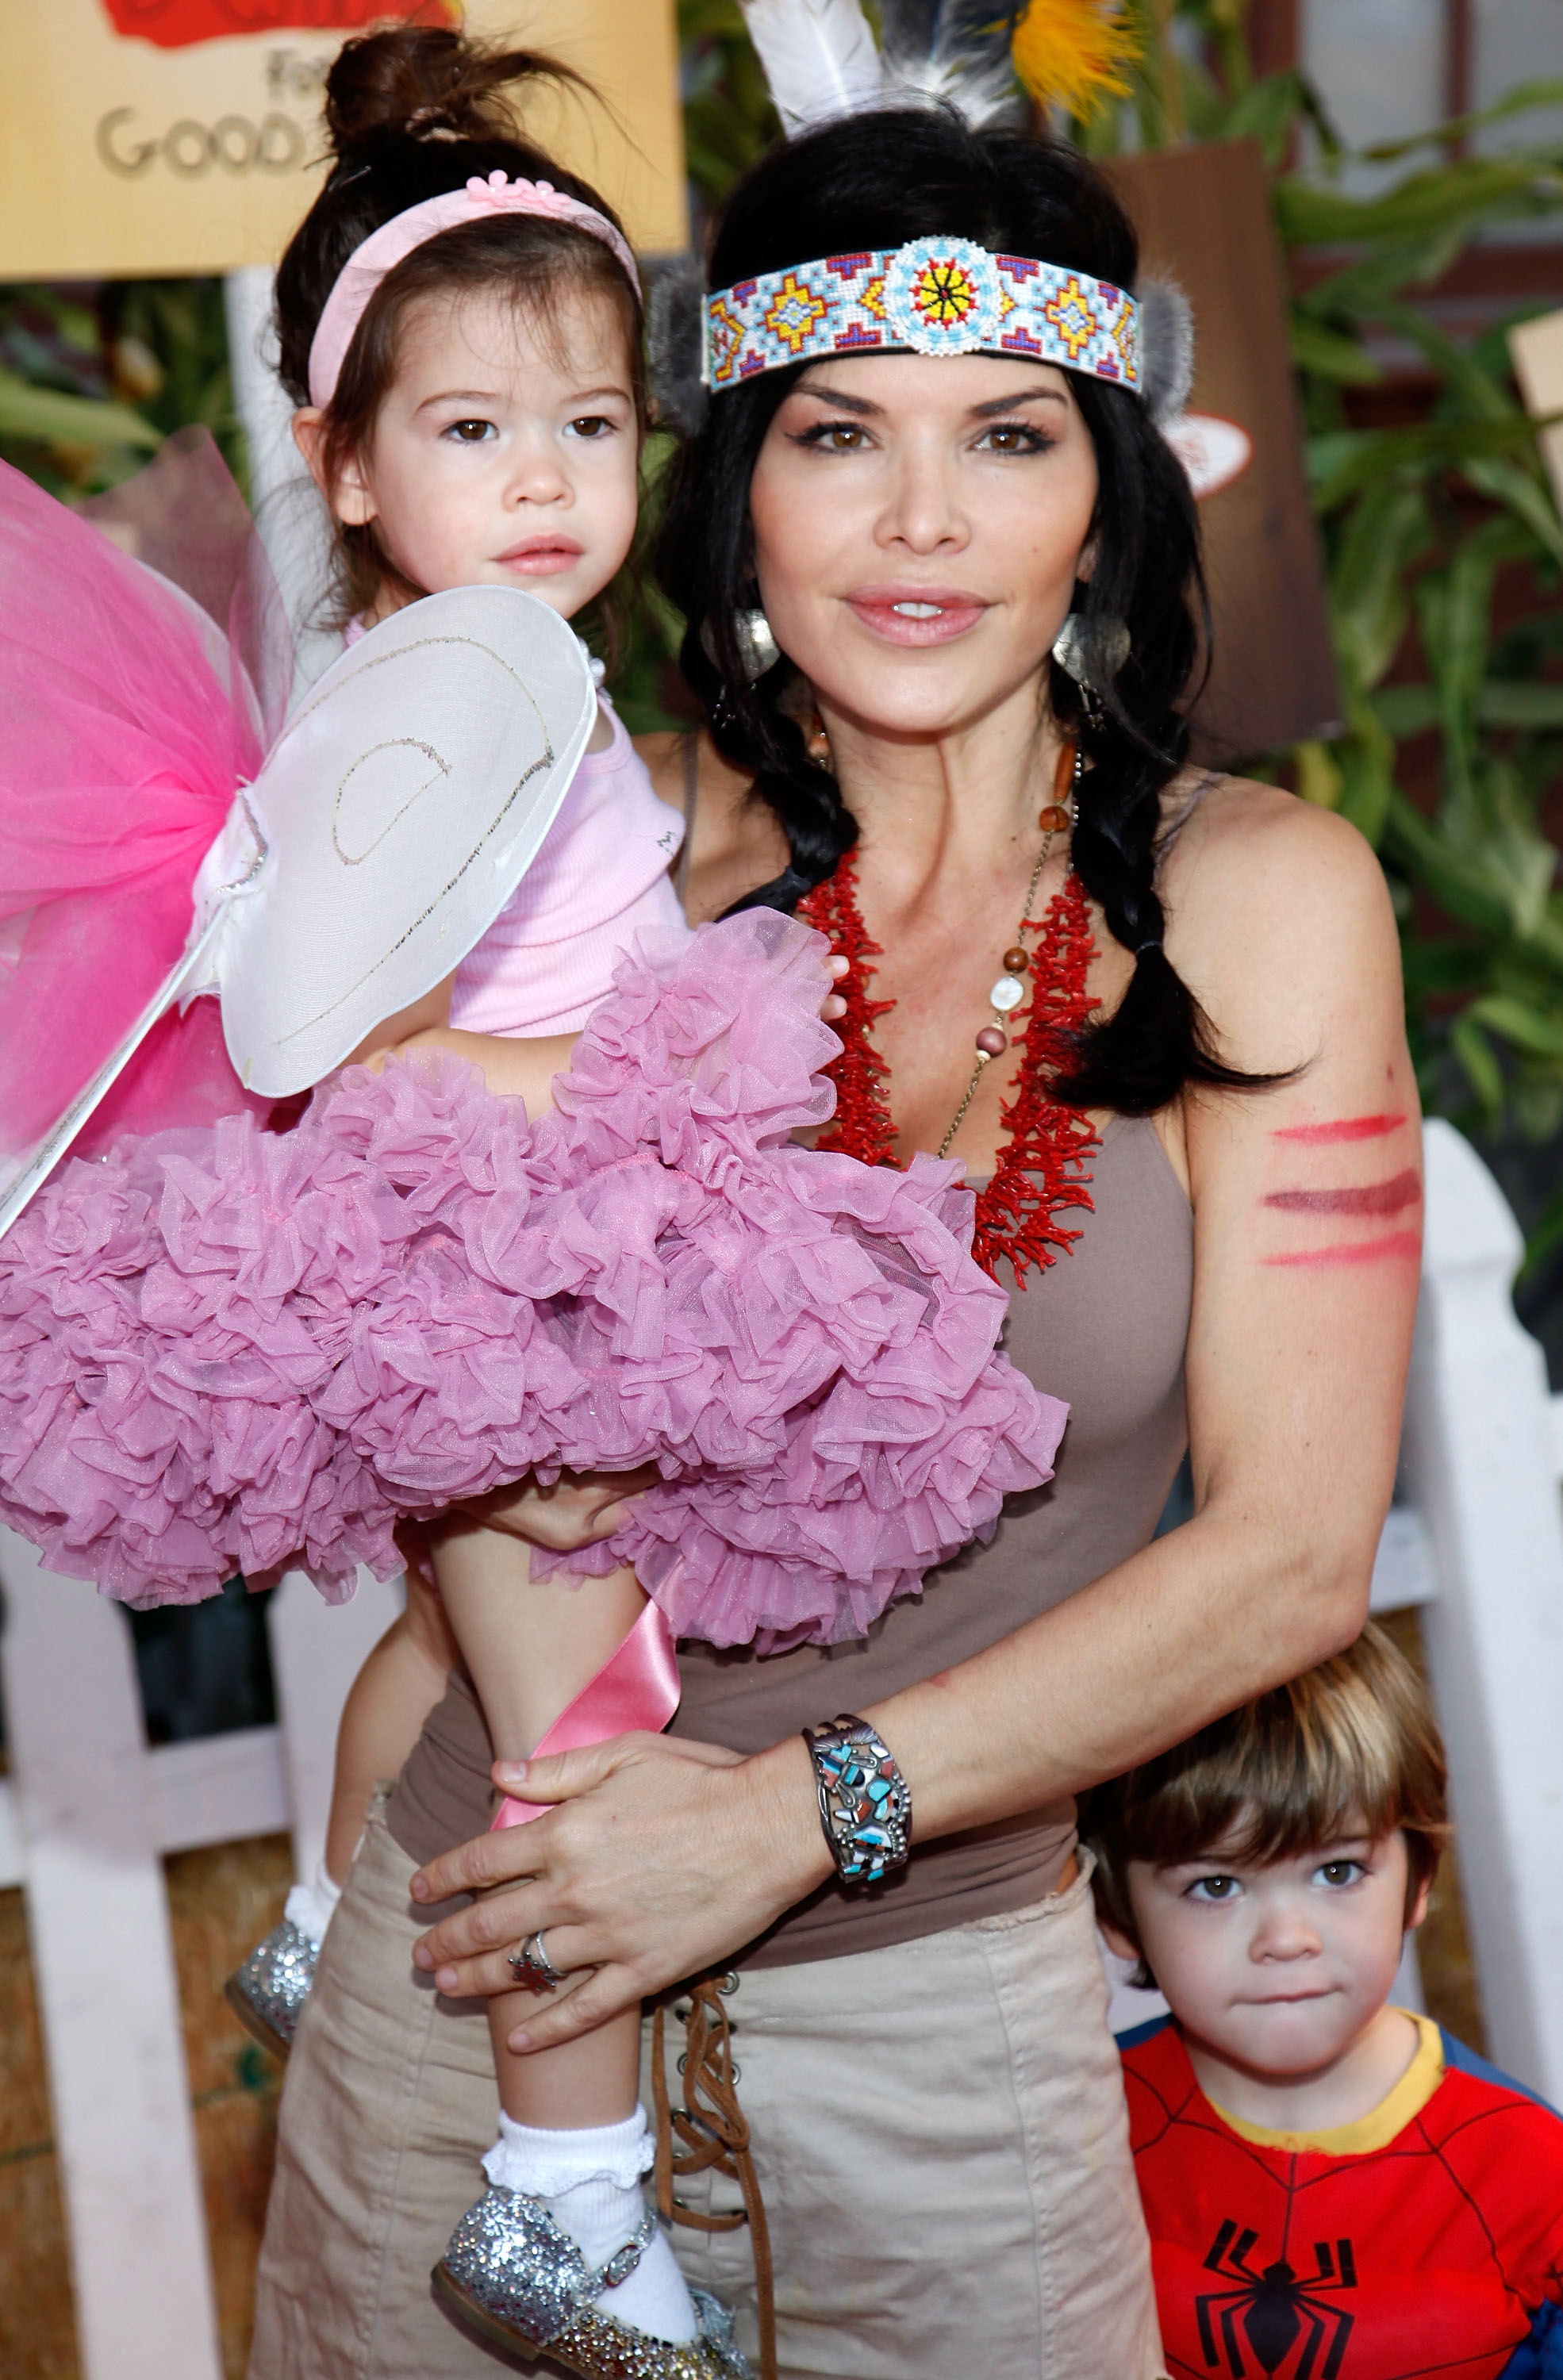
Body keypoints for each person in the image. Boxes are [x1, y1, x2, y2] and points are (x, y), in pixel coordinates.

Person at [248, 84, 1422, 2380]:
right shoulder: (561, 863)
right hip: (474, 2019)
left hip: (941, 2058)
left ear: (1106, 493)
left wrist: (798, 1815)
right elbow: (325, 1282)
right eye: (834, 436)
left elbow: (1289, 1551)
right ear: (732, 480)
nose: (917, 523)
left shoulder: (1261, 903)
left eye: (1005, 438)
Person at [1085, 1622, 1563, 2378]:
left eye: (1338, 1873)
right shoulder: (1071, 2127)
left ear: (1419, 1882)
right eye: (1216, 1885)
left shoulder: (1539, 2176)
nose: (1287, 1938)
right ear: (1117, 1913)